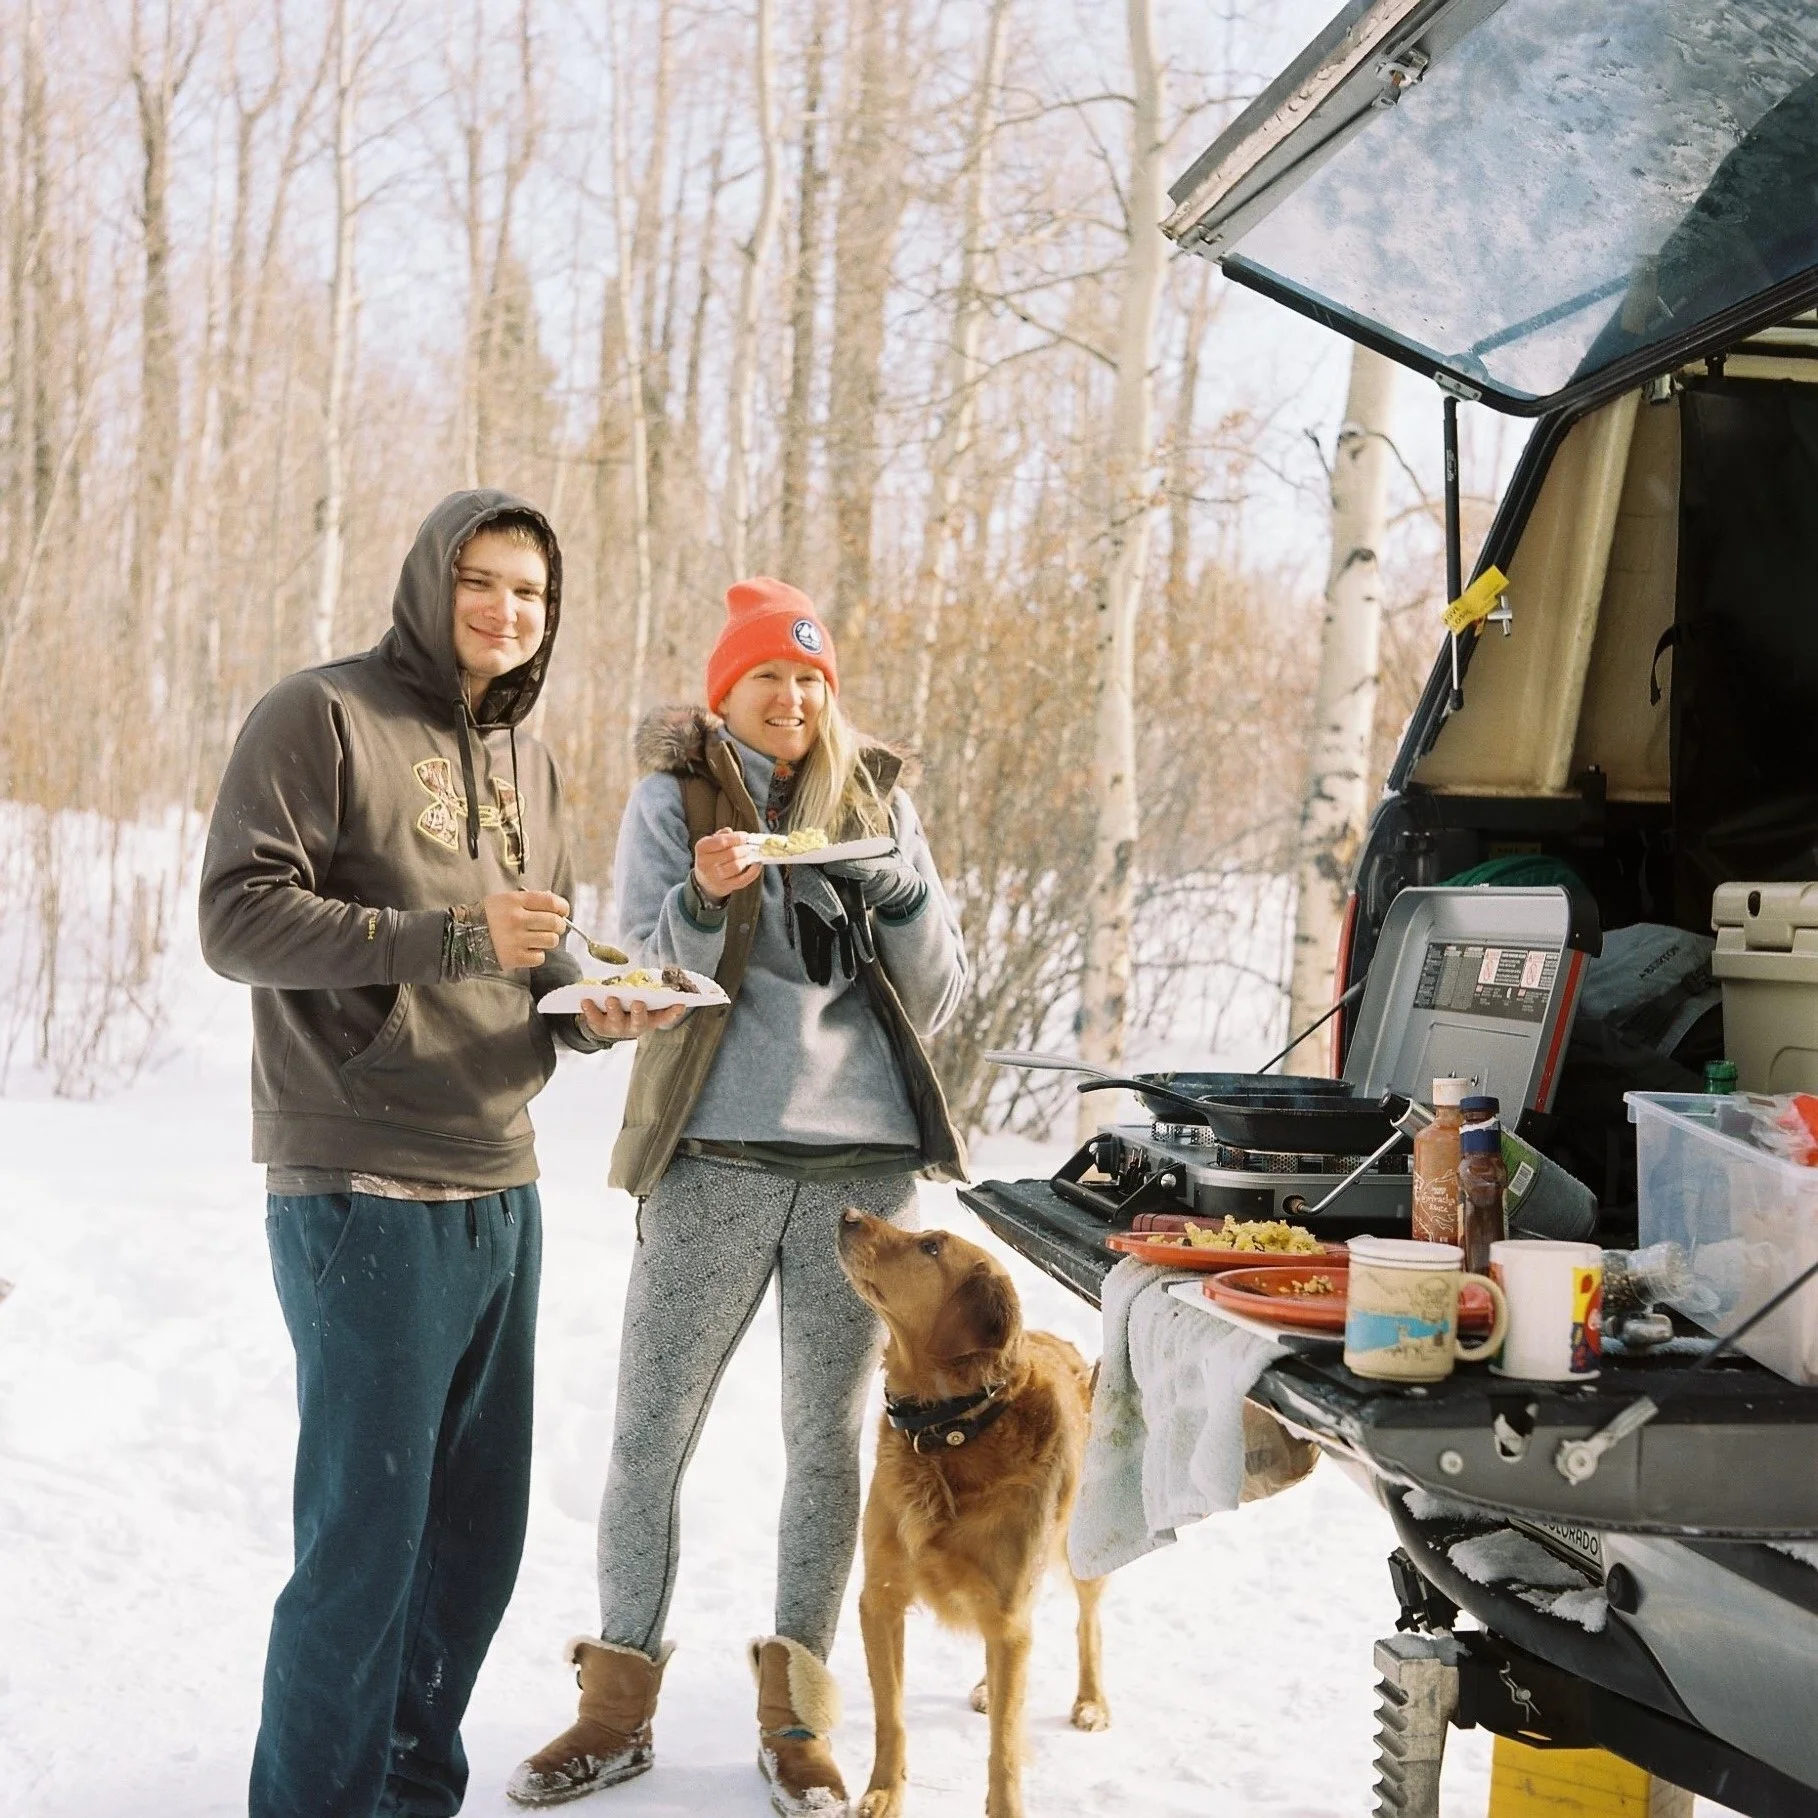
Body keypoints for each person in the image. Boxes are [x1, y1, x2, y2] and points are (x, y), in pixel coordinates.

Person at [200, 490, 683, 1818]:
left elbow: (531, 951)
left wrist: (598, 1005)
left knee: (471, 1546)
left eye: (529, 592)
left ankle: (412, 1794)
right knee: (363, 1548)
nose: (505, 610)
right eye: (481, 580)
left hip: (497, 1177)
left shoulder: (524, 756)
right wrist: (447, 939)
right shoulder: (322, 715)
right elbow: (237, 918)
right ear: (429, 581)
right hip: (359, 1176)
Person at [508, 578, 969, 1817]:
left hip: (859, 1177)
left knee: (824, 1446)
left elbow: (940, 989)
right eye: (770, 675)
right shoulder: (672, 801)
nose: (795, 696)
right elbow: (644, 971)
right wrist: (708, 898)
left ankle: (798, 1719)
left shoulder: (879, 803)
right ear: (726, 693)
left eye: (813, 677)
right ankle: (615, 1712)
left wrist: (902, 889)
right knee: (649, 1435)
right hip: (714, 1162)